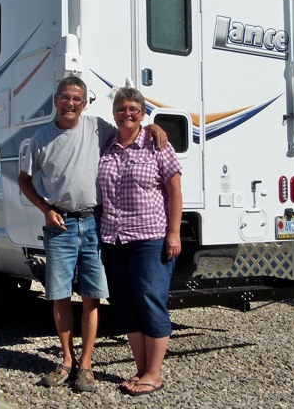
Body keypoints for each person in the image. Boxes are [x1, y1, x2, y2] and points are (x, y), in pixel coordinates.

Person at [18, 77, 166, 393]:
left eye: (77, 98)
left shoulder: (98, 126)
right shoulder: (39, 138)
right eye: (65, 97)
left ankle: (86, 365)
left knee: (91, 296)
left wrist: (154, 126)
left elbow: (131, 126)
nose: (70, 103)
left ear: (84, 103)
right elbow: (24, 180)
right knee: (58, 296)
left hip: (94, 224)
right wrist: (45, 209)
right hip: (60, 226)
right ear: (55, 100)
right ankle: (67, 361)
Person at [97, 87, 182, 396]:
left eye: (134, 108)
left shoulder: (156, 144)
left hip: (150, 237)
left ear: (144, 113)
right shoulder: (108, 144)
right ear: (114, 113)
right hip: (114, 238)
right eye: (122, 108)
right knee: (125, 304)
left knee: (150, 301)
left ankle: (155, 373)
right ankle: (141, 369)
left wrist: (174, 233)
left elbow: (174, 191)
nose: (127, 113)